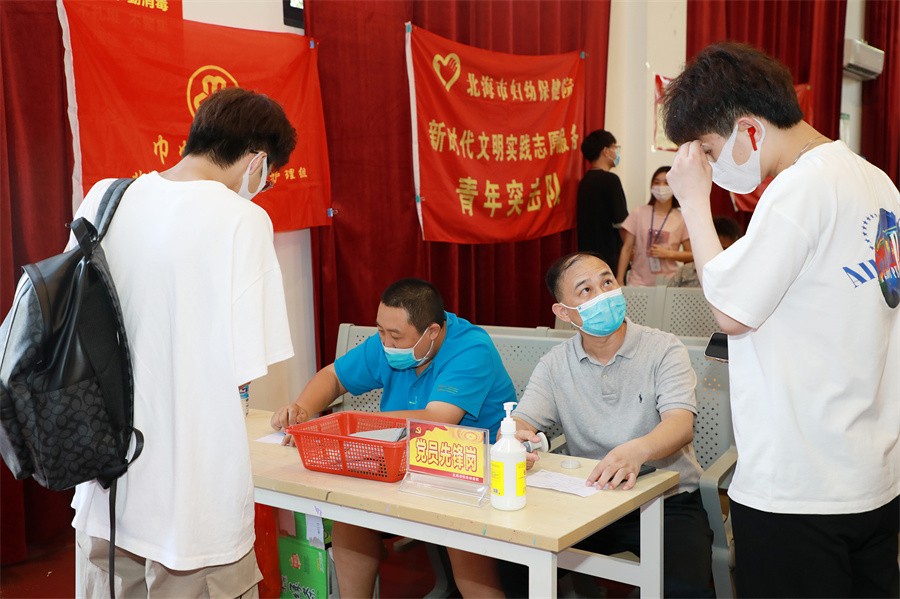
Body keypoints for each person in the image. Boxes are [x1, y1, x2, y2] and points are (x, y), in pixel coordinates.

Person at [663, 41, 899, 598]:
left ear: (749, 130)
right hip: (872, 475)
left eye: (710, 150)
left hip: (800, 485)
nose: (712, 167)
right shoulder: (877, 182)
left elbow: (729, 311)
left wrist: (693, 202)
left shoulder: (799, 189)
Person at [71, 88, 297, 597]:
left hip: (105, 475)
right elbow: (246, 363)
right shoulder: (243, 220)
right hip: (194, 488)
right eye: (270, 174)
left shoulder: (106, 196)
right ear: (257, 160)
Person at [270, 278, 513, 598]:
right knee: (350, 516)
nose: (385, 343)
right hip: (399, 460)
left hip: (467, 471)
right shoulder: (387, 343)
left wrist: (346, 425)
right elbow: (333, 377)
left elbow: (437, 420)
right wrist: (302, 409)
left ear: (432, 332)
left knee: (461, 537)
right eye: (380, 331)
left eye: (395, 336)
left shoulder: (471, 349)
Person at [511, 251, 713, 598]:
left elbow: (680, 424)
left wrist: (638, 451)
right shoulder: (555, 363)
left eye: (607, 282)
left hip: (667, 500)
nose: (602, 294)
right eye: (586, 290)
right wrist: (516, 441)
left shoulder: (664, 348)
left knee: (683, 589)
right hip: (591, 499)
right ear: (563, 312)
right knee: (515, 566)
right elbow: (523, 421)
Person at [617, 166, 692, 286]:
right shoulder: (639, 213)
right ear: (651, 186)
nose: (661, 186)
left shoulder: (681, 218)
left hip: (669, 283)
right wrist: (619, 279)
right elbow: (626, 248)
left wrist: (669, 254)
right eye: (657, 182)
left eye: (666, 183)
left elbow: (691, 255)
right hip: (638, 282)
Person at [576, 129, 629, 270]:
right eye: (615, 148)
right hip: (609, 256)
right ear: (606, 151)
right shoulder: (610, 179)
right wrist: (630, 250)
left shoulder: (585, 181)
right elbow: (621, 223)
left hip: (587, 256)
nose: (616, 152)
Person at [670, 216, 742, 287]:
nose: (720, 255)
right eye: (717, 249)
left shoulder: (741, 276)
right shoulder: (685, 273)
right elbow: (667, 293)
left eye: (726, 250)